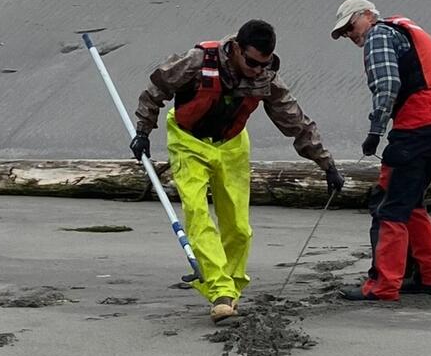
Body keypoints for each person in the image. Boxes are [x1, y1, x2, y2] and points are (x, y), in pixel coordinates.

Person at [132, 19, 345, 322]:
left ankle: (229, 288)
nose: (258, 70)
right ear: (235, 49)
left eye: (265, 64)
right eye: (253, 62)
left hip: (232, 146)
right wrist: (143, 130)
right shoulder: (198, 61)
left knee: (239, 228)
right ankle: (219, 290)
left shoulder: (266, 77)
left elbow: (294, 119)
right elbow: (156, 88)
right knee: (197, 212)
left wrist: (327, 164)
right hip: (187, 141)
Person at [329, 0, 431, 304]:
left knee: (389, 205)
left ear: (368, 16)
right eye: (344, 32)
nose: (349, 34)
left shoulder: (379, 34)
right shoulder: (401, 30)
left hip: (415, 128)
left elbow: (387, 84)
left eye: (350, 26)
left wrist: (375, 130)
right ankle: (428, 276)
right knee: (412, 203)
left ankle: (383, 285)